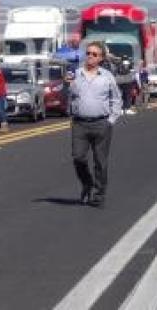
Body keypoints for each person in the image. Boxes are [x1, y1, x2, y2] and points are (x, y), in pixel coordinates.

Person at [67, 41, 122, 208]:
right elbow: (68, 96)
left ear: (101, 58)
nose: (90, 56)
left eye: (94, 54)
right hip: (80, 124)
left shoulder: (107, 77)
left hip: (101, 124)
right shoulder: (75, 74)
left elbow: (116, 99)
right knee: (78, 157)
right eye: (88, 53)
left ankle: (98, 194)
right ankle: (87, 183)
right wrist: (66, 86)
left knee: (100, 162)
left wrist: (110, 121)